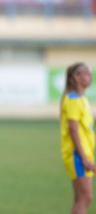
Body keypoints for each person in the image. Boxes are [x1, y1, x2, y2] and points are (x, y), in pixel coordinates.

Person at [60, 62, 96, 214]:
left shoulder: (81, 99)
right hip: (78, 156)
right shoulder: (73, 100)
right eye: (86, 73)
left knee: (82, 199)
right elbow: (73, 130)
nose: (91, 76)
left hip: (83, 154)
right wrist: (84, 159)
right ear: (76, 77)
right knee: (85, 198)